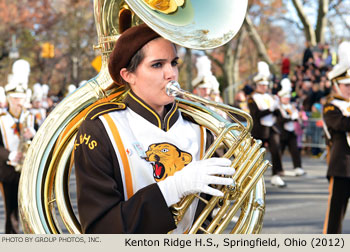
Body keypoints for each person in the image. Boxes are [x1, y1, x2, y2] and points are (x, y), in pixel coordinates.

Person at [74, 24, 235, 234]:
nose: (171, 73)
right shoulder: (101, 128)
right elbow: (100, 230)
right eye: (157, 65)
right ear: (128, 75)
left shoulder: (201, 129)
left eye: (174, 63)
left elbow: (205, 219)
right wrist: (173, 188)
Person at [0, 78, 36, 233]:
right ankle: (12, 240)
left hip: (28, 169)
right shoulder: (1, 119)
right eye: (14, 98)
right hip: (8, 170)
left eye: (20, 98)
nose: (18, 101)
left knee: (29, 208)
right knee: (12, 210)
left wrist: (34, 134)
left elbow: (43, 138)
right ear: (8, 99)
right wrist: (10, 155)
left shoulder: (30, 117)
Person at [322, 41, 350, 234]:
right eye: (346, 85)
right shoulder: (331, 106)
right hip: (342, 166)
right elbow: (341, 125)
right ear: (336, 85)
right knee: (336, 215)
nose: (349, 88)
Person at [248, 61, 286, 187]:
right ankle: (252, 175)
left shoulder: (271, 97)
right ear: (257, 85)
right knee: (256, 153)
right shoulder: (252, 97)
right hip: (259, 128)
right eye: (262, 85)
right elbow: (256, 114)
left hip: (272, 127)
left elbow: (278, 114)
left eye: (265, 85)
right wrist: (270, 110)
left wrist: (277, 109)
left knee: (276, 150)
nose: (264, 87)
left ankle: (276, 174)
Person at [277, 78, 305, 176]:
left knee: (295, 150)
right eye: (285, 97)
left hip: (291, 131)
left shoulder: (291, 106)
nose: (287, 99)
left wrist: (298, 117)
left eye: (288, 97)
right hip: (282, 132)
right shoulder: (278, 107)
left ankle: (298, 167)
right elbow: (280, 120)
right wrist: (291, 118)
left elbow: (296, 117)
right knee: (279, 151)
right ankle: (278, 169)